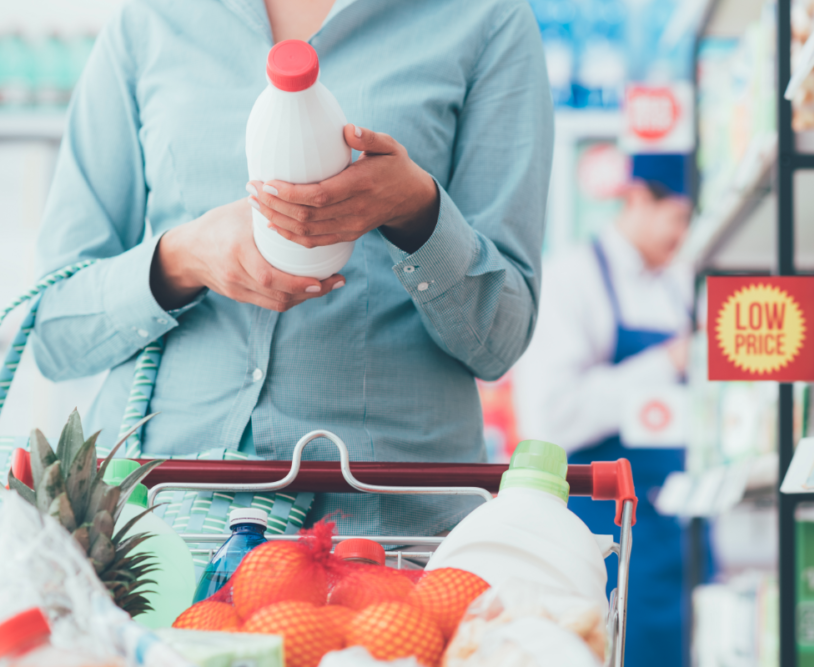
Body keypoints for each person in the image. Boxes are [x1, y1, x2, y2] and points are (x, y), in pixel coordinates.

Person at [30, 0, 553, 537]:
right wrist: (181, 259)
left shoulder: (485, 18)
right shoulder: (151, 21)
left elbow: (500, 342)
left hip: (386, 530)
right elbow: (52, 331)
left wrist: (417, 212)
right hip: (157, 523)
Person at [514, 179, 700, 666]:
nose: (684, 234)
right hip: (601, 533)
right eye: (677, 217)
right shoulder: (572, 278)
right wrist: (667, 363)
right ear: (638, 198)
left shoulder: (679, 284)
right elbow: (552, 417)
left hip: (674, 531)